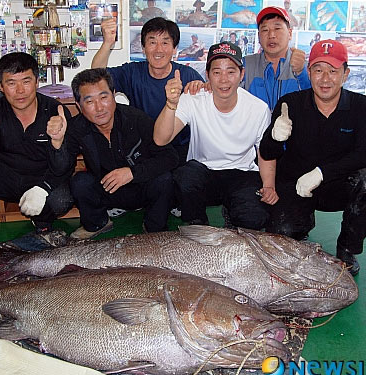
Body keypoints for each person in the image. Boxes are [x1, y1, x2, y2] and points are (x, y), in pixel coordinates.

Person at [259, 40, 366, 276]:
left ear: (345, 74)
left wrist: (321, 173)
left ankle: (347, 247)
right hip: (297, 187)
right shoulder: (290, 104)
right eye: (318, 70)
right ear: (309, 72)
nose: (325, 79)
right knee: (281, 236)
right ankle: (302, 224)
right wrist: (275, 137)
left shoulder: (362, 106)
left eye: (333, 71)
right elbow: (267, 153)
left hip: (337, 186)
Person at [0, 52, 74, 262]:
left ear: (37, 81)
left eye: (26, 81)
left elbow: (66, 165)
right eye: (11, 83)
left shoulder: (56, 111)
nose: (19, 91)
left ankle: (42, 221)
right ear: (1, 86)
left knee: (62, 199)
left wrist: (44, 187)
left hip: (43, 179)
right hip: (7, 178)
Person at [154, 42, 277, 229]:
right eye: (217, 72)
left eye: (231, 71)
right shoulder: (193, 99)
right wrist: (171, 103)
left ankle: (232, 211)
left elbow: (265, 151)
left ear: (241, 75)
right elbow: (161, 139)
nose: (224, 79)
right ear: (207, 75)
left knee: (254, 219)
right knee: (185, 177)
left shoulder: (258, 108)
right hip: (204, 172)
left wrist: (268, 185)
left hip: (242, 174)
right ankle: (197, 225)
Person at [66, 68, 179, 239]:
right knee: (80, 182)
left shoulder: (136, 118)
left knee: (163, 179)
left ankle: (155, 228)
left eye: (104, 97)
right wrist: (57, 143)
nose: (99, 108)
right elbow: (62, 167)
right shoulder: (76, 128)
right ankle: (98, 223)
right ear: (78, 106)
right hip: (107, 191)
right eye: (89, 101)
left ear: (114, 95)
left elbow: (170, 157)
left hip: (141, 187)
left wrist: (132, 173)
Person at [91, 16, 204, 164]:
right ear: (143, 48)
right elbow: (97, 78)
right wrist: (107, 43)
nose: (158, 49)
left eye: (165, 42)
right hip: (142, 150)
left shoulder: (188, 75)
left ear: (174, 49)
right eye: (152, 42)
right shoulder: (133, 72)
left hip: (179, 150)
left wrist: (200, 87)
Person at [243, 6, 310, 111]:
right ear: (259, 36)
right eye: (265, 30)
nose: (271, 35)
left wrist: (302, 73)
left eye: (277, 28)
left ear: (290, 33)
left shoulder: (306, 67)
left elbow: (317, 102)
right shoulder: (245, 65)